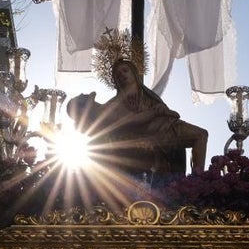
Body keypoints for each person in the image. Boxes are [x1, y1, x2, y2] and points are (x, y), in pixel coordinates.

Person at [66, 58, 209, 178]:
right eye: (118, 74)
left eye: (125, 70)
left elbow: (165, 111)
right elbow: (131, 121)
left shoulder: (146, 93)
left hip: (167, 125)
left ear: (133, 72)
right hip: (155, 133)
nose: (122, 75)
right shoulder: (112, 105)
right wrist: (154, 112)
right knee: (200, 135)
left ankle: (197, 179)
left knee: (200, 135)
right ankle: (197, 180)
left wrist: (163, 111)